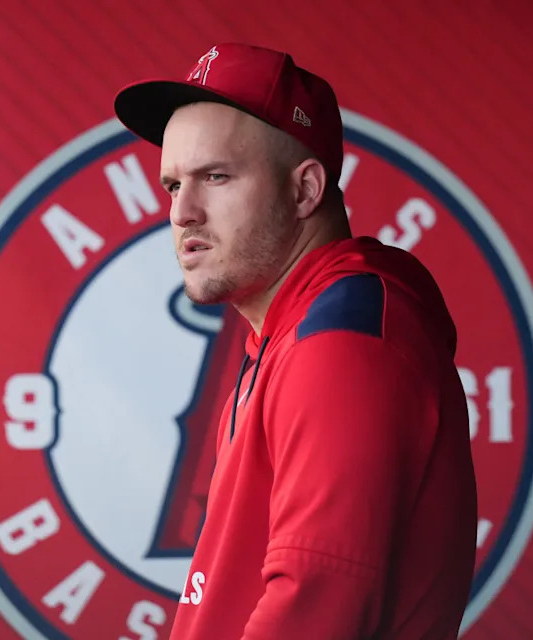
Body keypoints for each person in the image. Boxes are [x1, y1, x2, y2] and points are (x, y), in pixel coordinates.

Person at [113, 42, 478, 639]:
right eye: (173, 186)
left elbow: (317, 602)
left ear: (306, 190)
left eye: (216, 177)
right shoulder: (291, 333)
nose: (184, 213)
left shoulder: (344, 337)